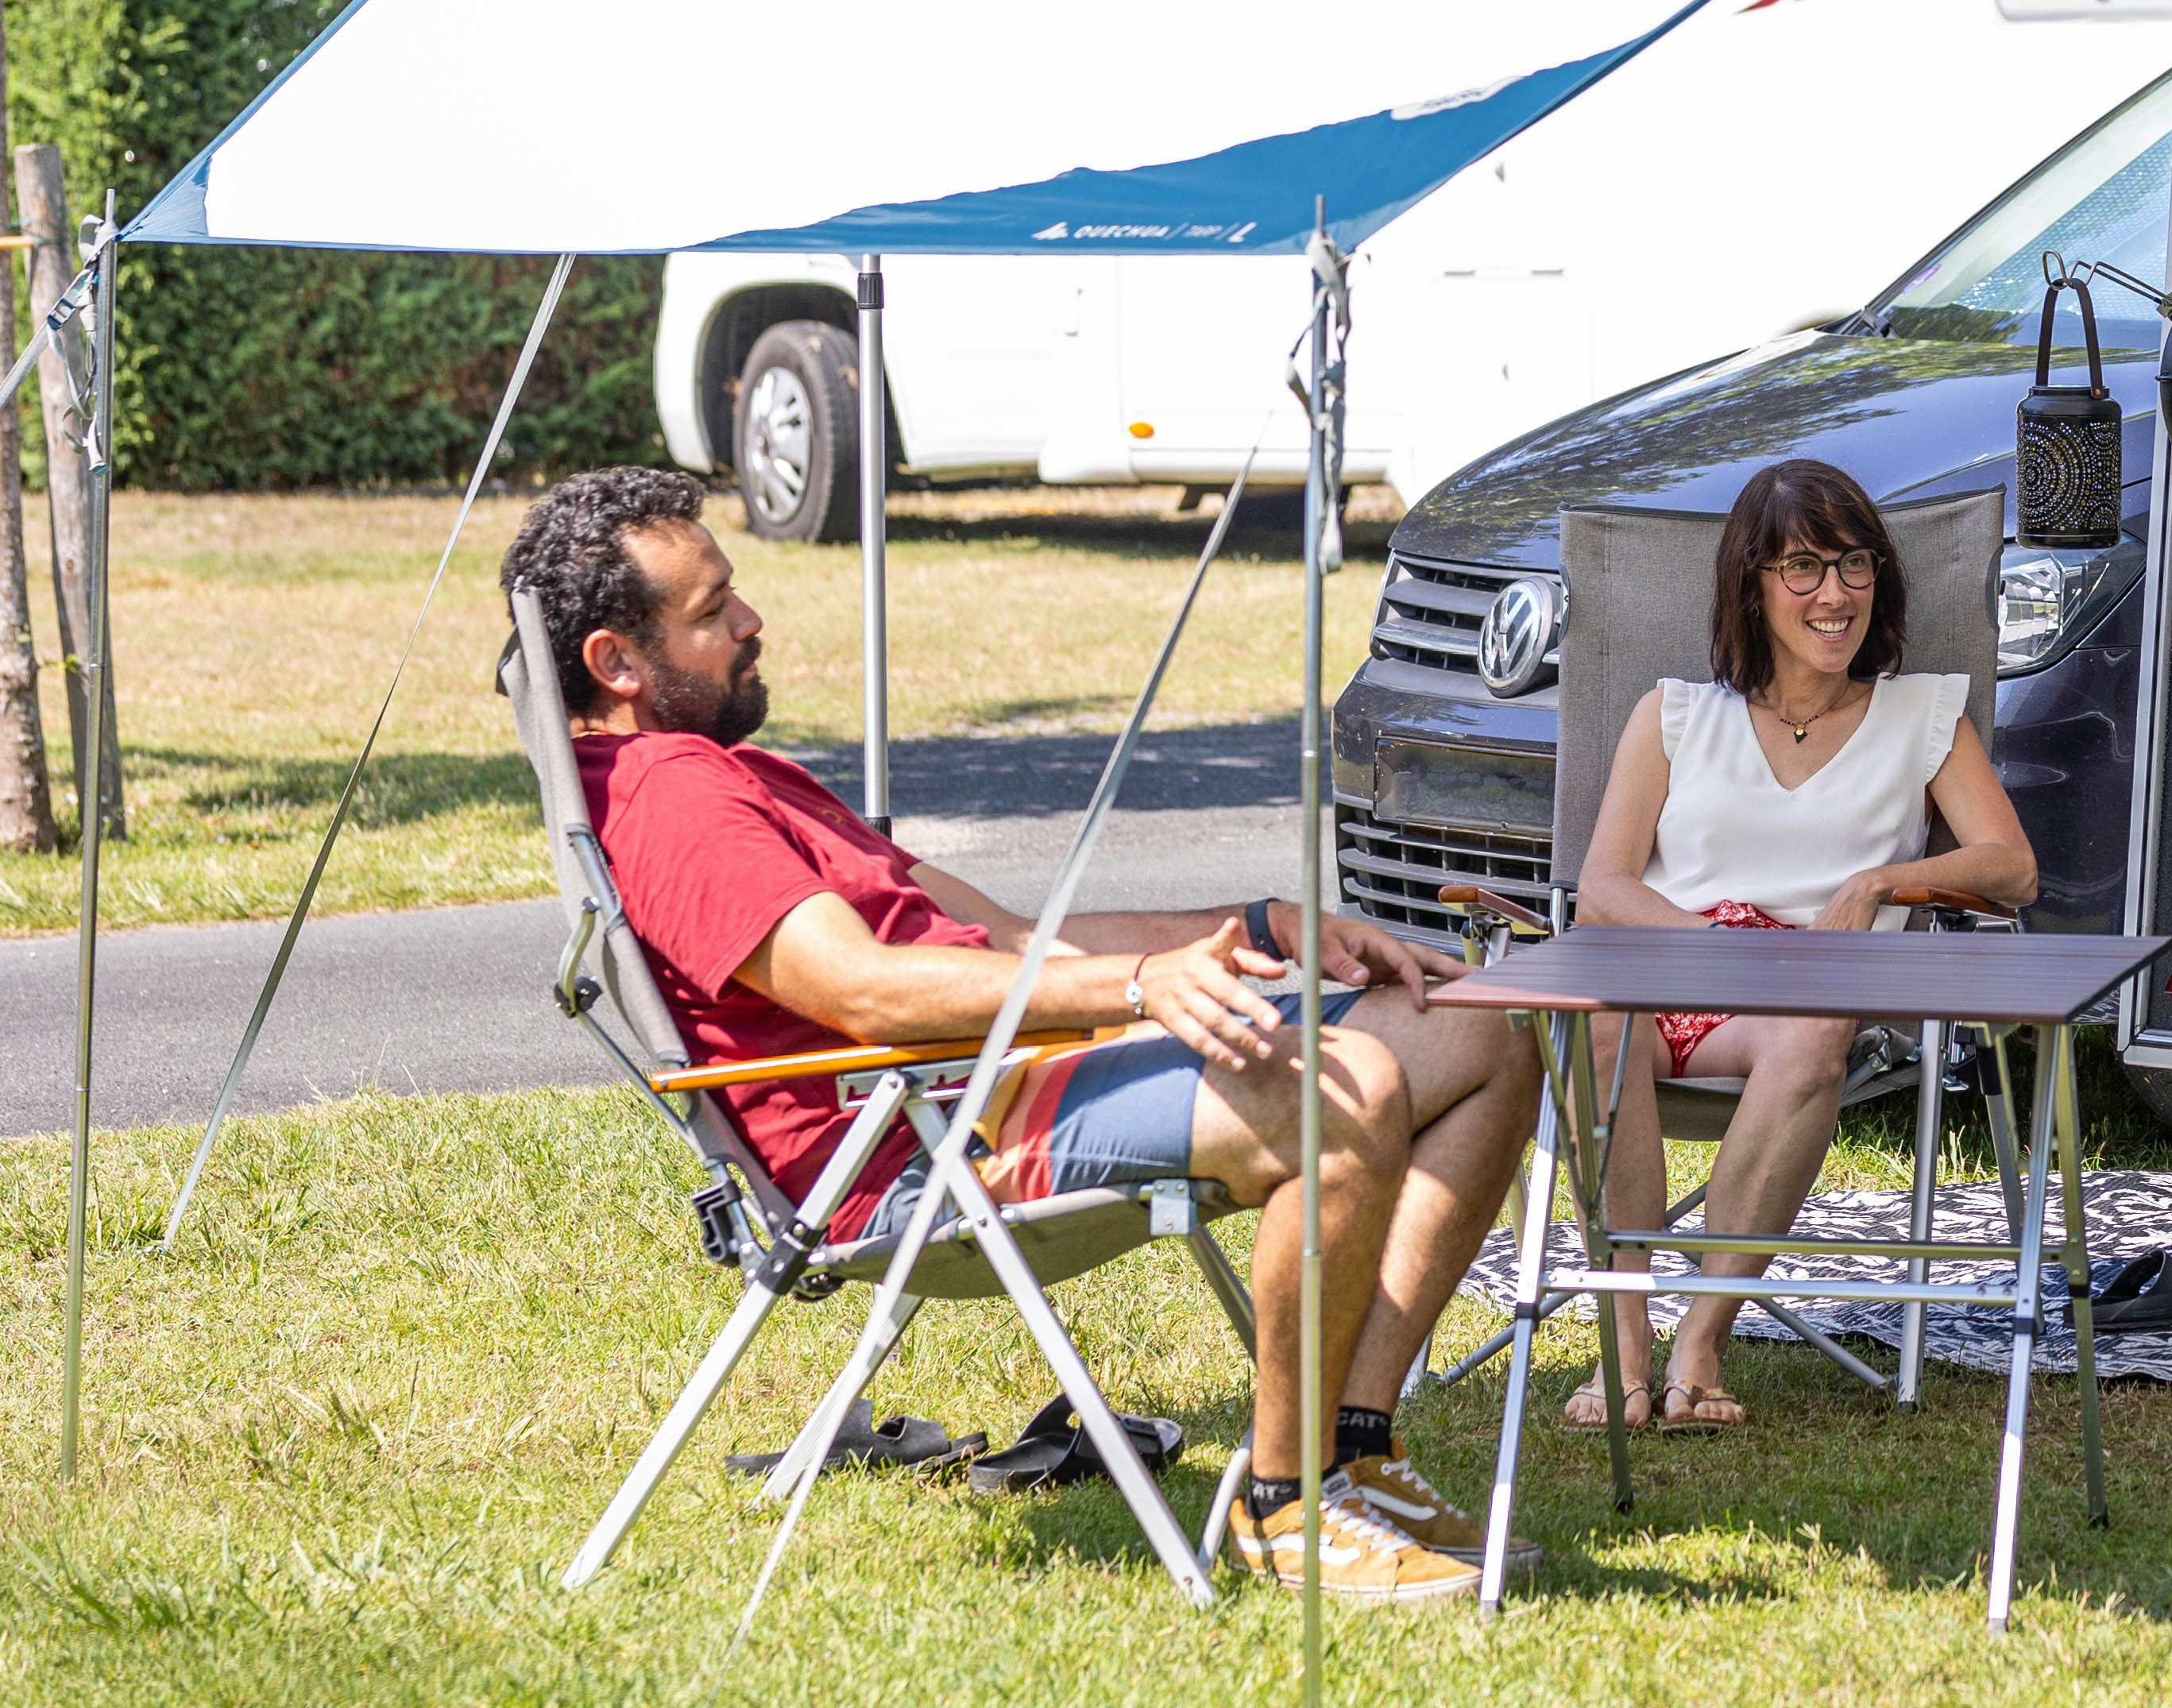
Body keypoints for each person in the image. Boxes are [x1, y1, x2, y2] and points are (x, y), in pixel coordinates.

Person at [504, 466, 1540, 1605]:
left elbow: (1006, 936)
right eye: (712, 612)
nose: (751, 623)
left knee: (1478, 1035)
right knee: (1340, 1087)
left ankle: (1354, 1443)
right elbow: (864, 994)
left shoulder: (740, 774)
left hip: (1003, 1078)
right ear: (617, 662)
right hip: (926, 1142)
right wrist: (1139, 989)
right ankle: (1282, 1507)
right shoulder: (673, 805)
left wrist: (1253, 925)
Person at [1567, 457, 2037, 1432]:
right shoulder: (1676, 716)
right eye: (1806, 569)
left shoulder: (1923, 718)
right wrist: (1707, 940)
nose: (1837, 595)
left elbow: (2009, 867)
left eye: (1856, 565)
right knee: (1591, 1021)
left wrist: (1879, 884)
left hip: (1801, 998)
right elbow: (1603, 886)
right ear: (1754, 585)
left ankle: (1700, 1340)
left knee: (1814, 1028)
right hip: (1671, 966)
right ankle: (1622, 1342)